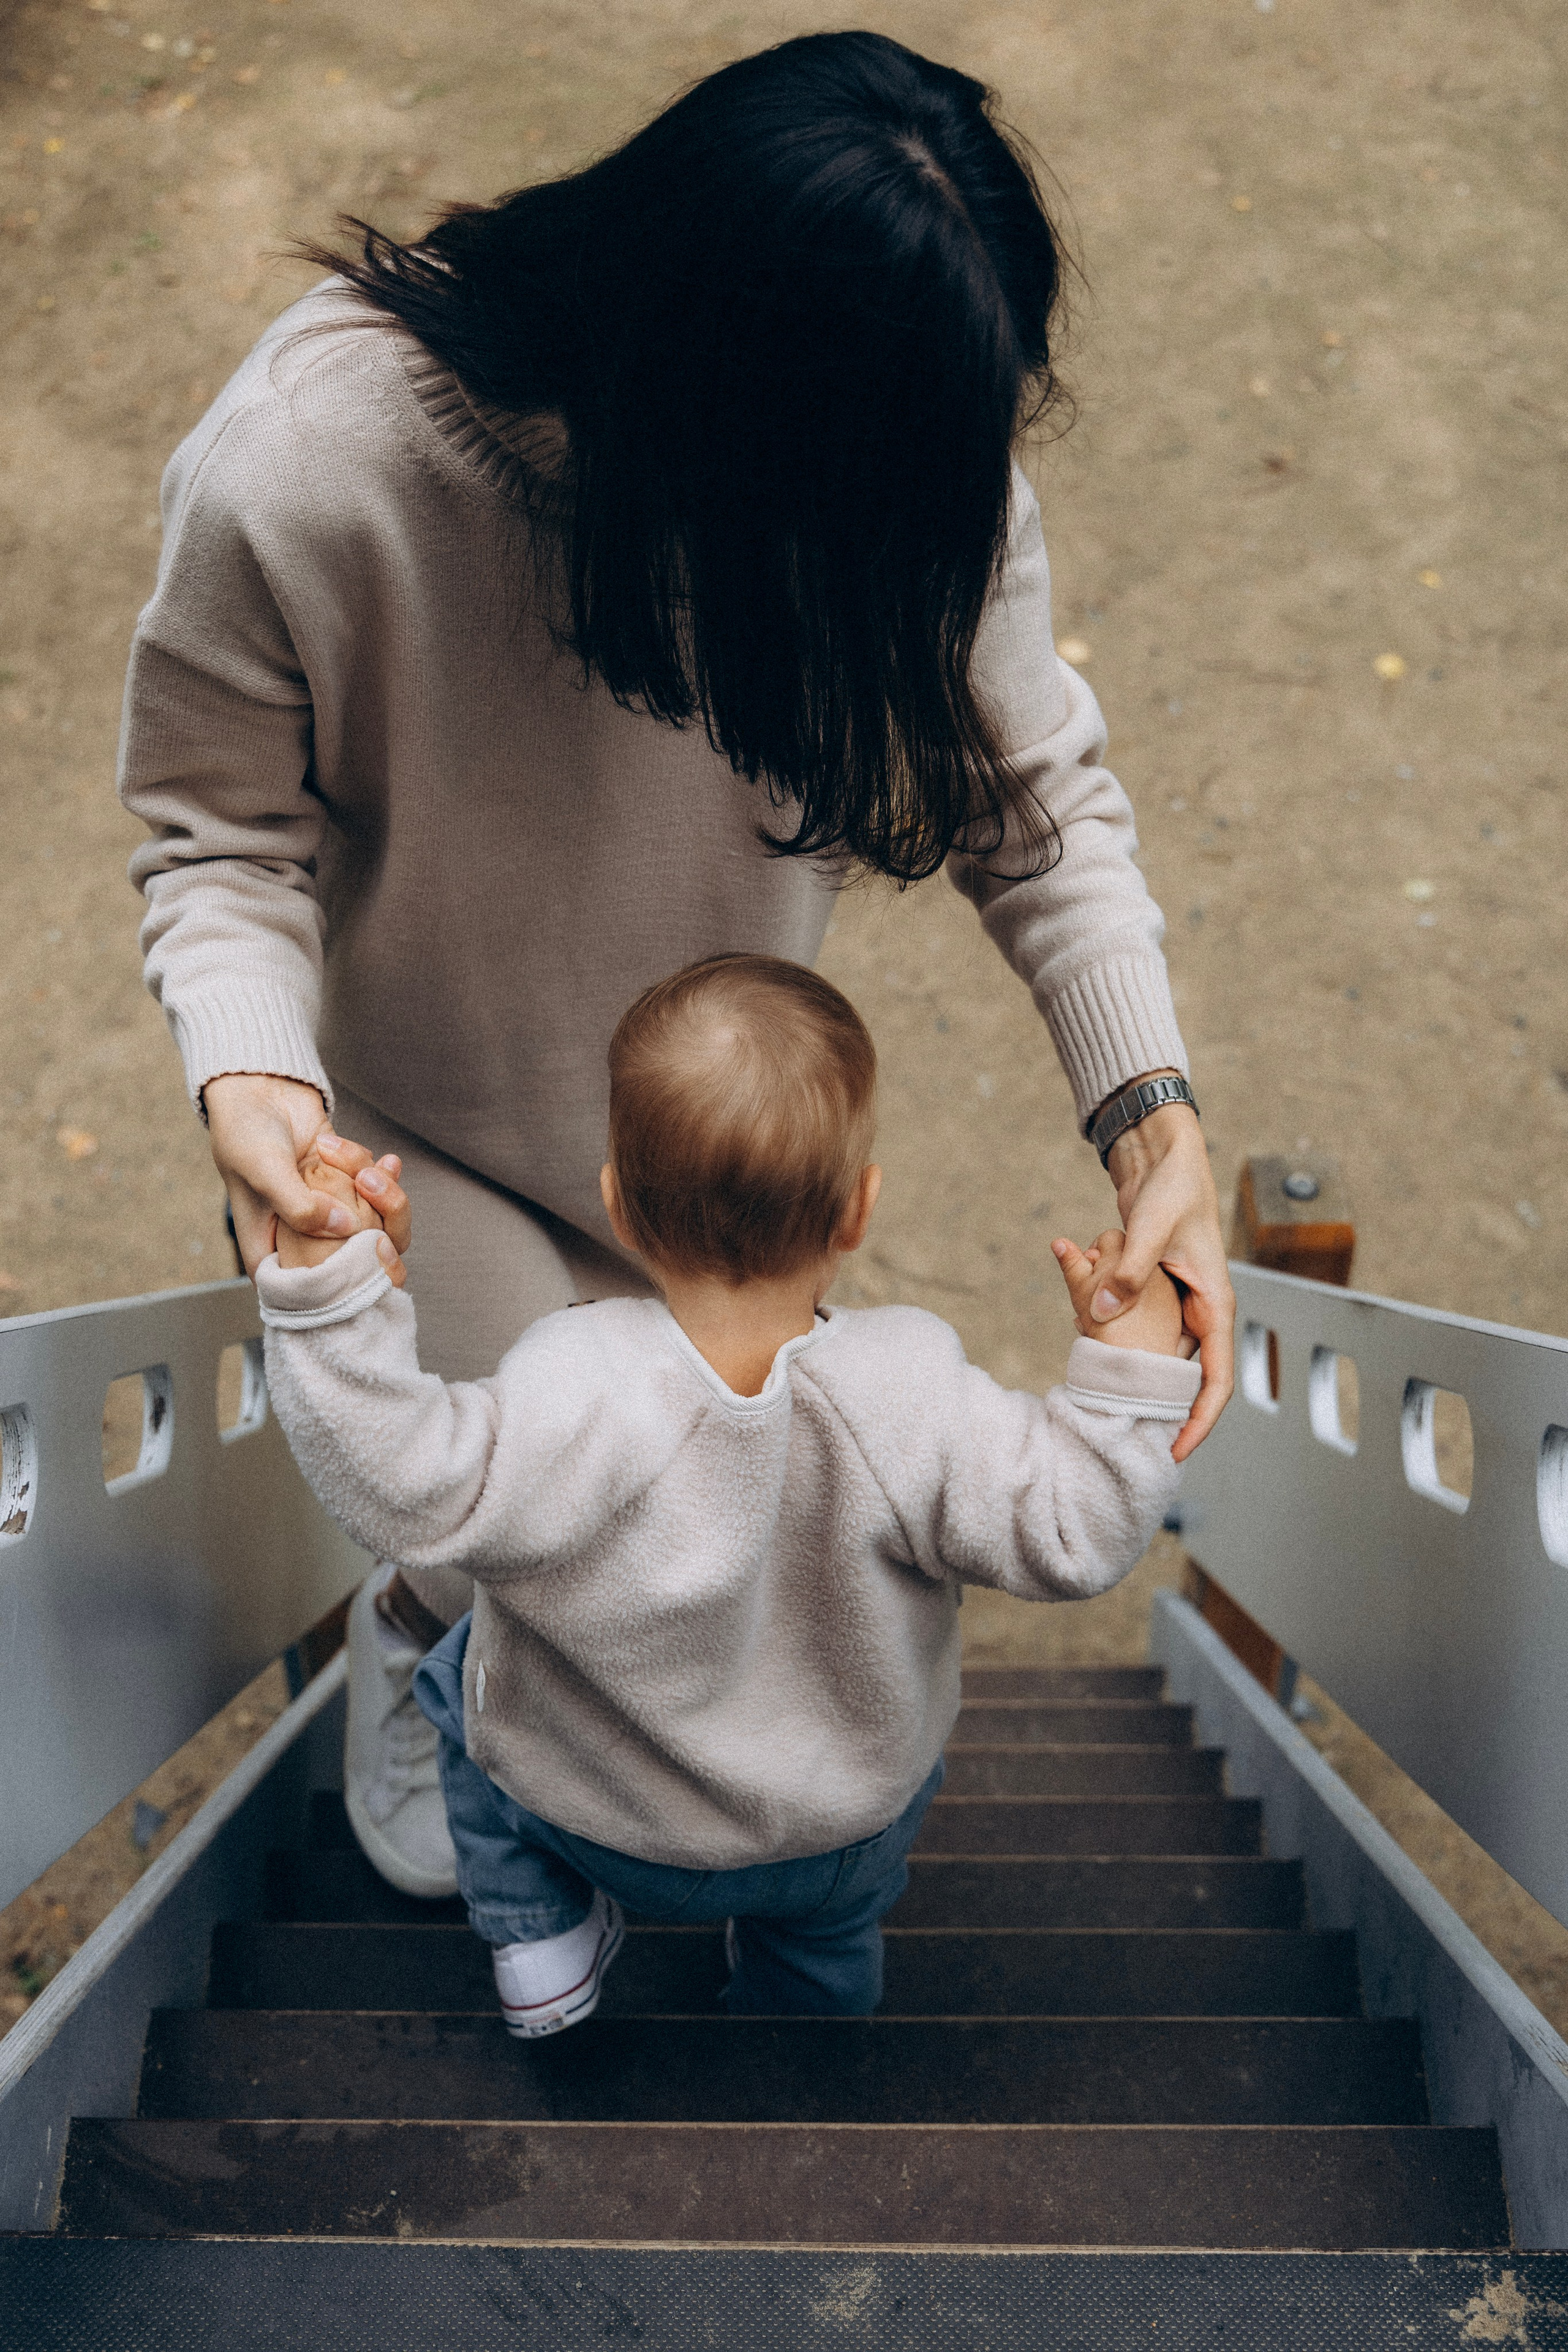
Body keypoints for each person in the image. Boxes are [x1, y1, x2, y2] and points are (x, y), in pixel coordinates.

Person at [119, 31, 1233, 1899]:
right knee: (485, 1515)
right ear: (700, 399)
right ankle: (421, 1646)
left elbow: (1037, 799)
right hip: (426, 1135)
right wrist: (253, 1078)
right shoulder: (308, 470)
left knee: (667, 1520)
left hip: (706, 1145)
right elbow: (216, 832)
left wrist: (1152, 1113)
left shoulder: (888, 458)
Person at [256, 956, 1200, 2029]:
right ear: (858, 1211)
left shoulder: (575, 1387)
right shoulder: (917, 1394)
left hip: (598, 1820)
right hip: (843, 1835)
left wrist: (334, 1293)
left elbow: (397, 1484)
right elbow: (1077, 1530)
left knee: (451, 1680)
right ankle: (803, 2032)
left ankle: (538, 1943)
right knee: (830, 1937)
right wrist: (1130, 1367)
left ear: (616, 1202)